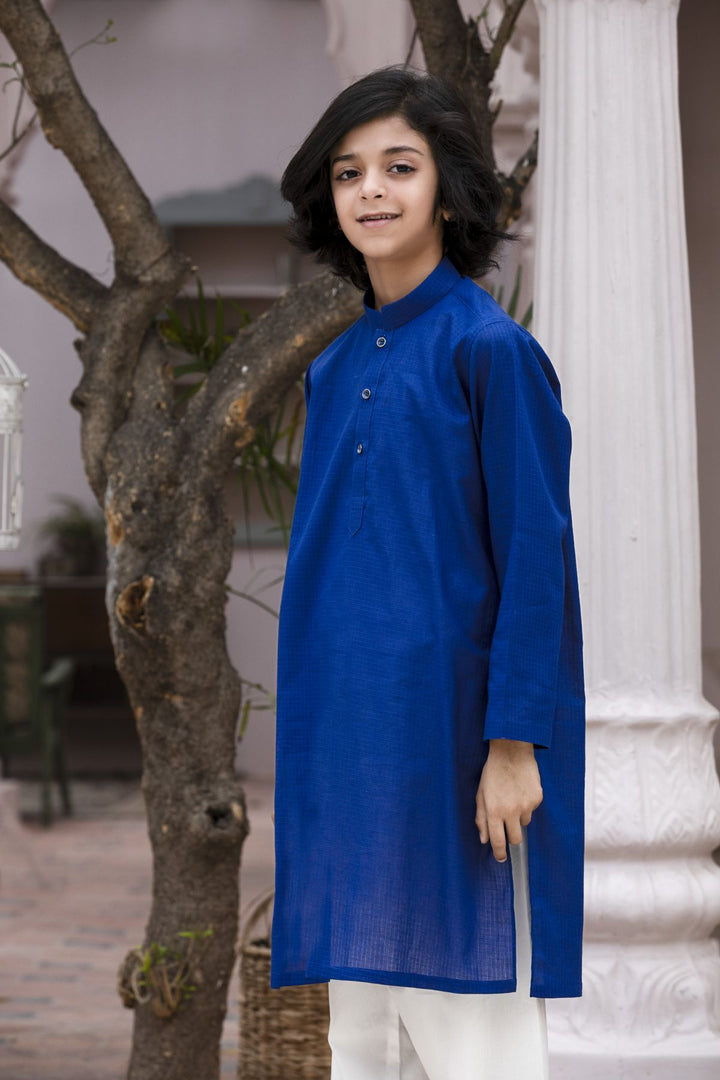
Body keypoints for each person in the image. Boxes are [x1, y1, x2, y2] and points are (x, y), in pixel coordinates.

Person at [271, 67, 585, 1080]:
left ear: (446, 190)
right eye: (348, 172)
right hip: (352, 753)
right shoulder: (333, 367)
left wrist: (513, 747)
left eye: (398, 167)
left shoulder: (492, 351)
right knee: (361, 1047)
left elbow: (536, 562)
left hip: (458, 756)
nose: (370, 189)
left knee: (476, 1043)